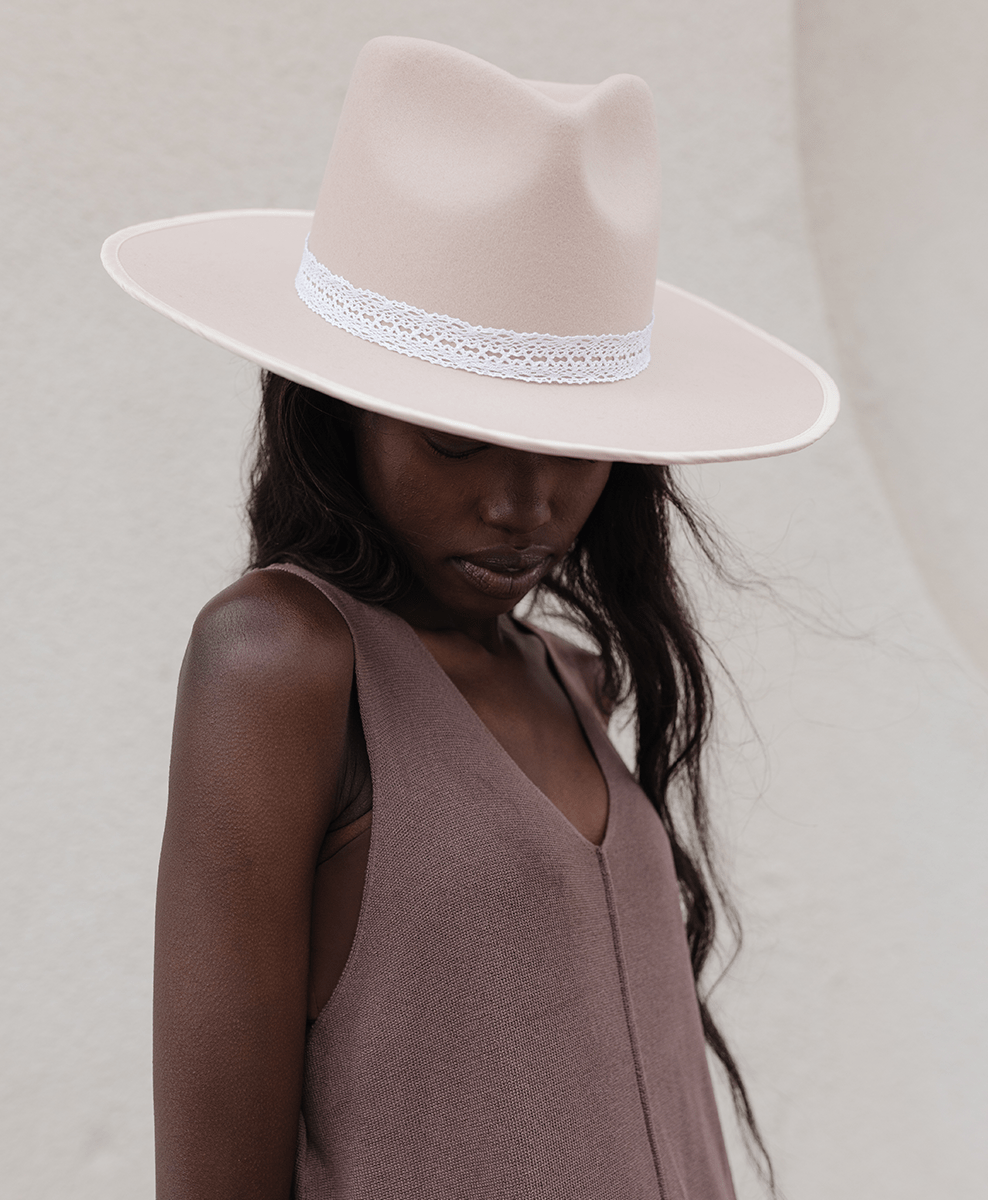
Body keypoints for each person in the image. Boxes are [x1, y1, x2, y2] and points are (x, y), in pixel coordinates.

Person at [102, 35, 838, 1200]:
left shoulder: (572, 680)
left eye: (571, 447)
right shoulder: (282, 665)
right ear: (344, 413)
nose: (520, 503)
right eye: (456, 437)